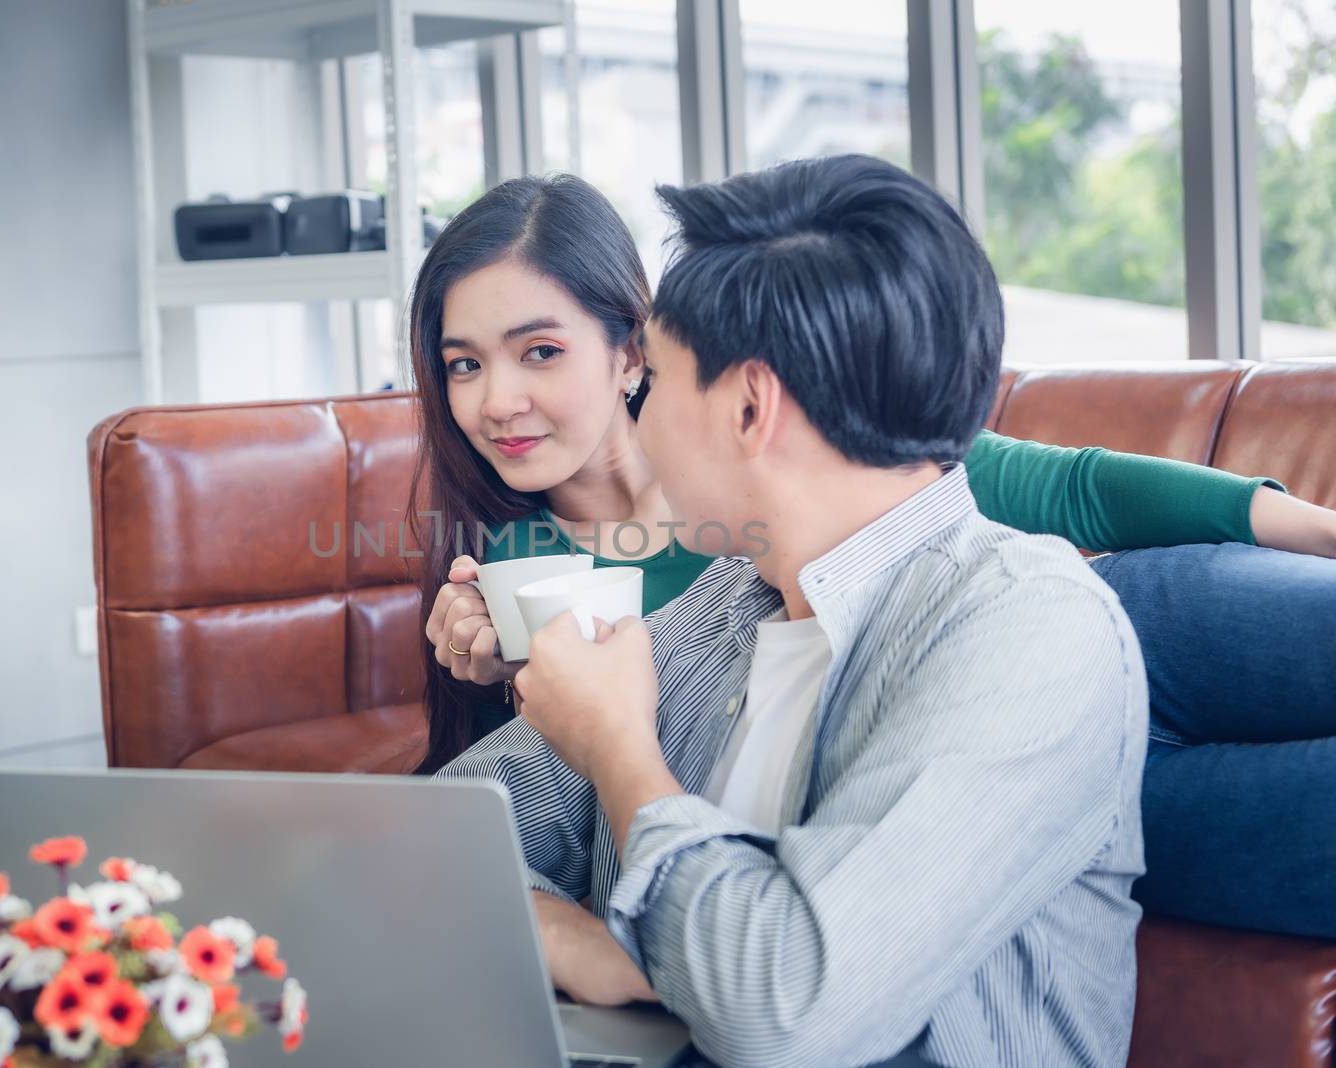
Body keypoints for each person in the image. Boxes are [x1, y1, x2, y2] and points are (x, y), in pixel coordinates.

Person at [408, 170, 1336, 939]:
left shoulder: (833, 453)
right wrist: (520, 678)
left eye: (538, 352)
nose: (497, 401)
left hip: (1119, 622)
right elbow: (532, 795)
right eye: (463, 364)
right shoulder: (516, 564)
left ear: (632, 352)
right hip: (967, 788)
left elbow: (1076, 488)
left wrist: (1318, 529)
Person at [436, 155, 1146, 1065]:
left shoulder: (1030, 629)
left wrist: (620, 749)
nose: (639, 422)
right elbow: (454, 829)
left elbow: (787, 1011)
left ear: (747, 407)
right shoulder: (730, 603)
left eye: (653, 381)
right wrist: (579, 944)